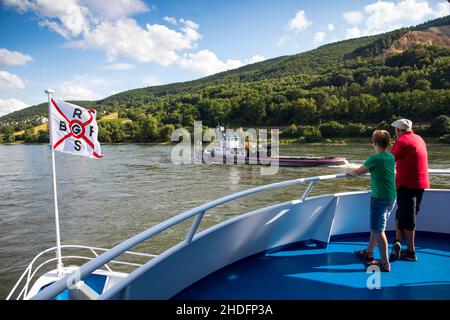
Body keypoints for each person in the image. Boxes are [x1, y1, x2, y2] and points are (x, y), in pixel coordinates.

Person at [347, 130, 397, 272]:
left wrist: (345, 168)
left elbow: (357, 172)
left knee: (379, 230)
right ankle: (369, 251)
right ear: (388, 143)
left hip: (379, 198)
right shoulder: (390, 157)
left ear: (374, 143)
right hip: (391, 196)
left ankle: (385, 263)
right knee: (377, 227)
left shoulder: (374, 159)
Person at [389, 119, 429, 262]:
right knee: (403, 212)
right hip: (421, 183)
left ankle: (411, 251)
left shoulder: (402, 141)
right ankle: (397, 243)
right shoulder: (419, 138)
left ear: (398, 131)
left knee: (407, 216)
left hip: (407, 184)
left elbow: (389, 159)